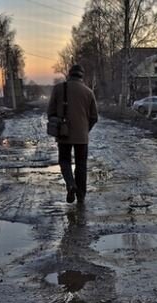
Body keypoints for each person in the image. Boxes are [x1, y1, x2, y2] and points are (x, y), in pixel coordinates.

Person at [47, 64, 98, 203]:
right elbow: (94, 117)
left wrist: (58, 122)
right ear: (82, 76)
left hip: (64, 134)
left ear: (69, 74)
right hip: (82, 136)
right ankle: (81, 196)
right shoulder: (88, 92)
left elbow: (50, 112)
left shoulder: (58, 89)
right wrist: (85, 130)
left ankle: (70, 184)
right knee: (81, 164)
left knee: (64, 161)